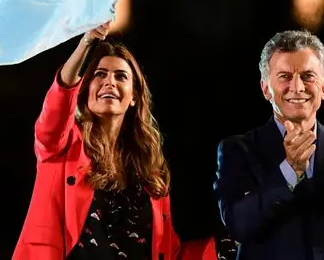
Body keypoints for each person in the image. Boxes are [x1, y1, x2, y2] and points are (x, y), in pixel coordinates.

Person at [14, 21, 217, 259]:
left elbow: (169, 252)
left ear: (133, 97)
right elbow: (58, 102)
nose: (110, 82)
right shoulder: (63, 145)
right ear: (84, 90)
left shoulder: (150, 173)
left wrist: (228, 248)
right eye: (100, 74)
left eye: (121, 76)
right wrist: (86, 43)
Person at [213, 30, 324, 259]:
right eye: (285, 76)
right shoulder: (238, 150)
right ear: (265, 88)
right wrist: (288, 172)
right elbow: (237, 225)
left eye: (308, 76)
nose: (297, 87)